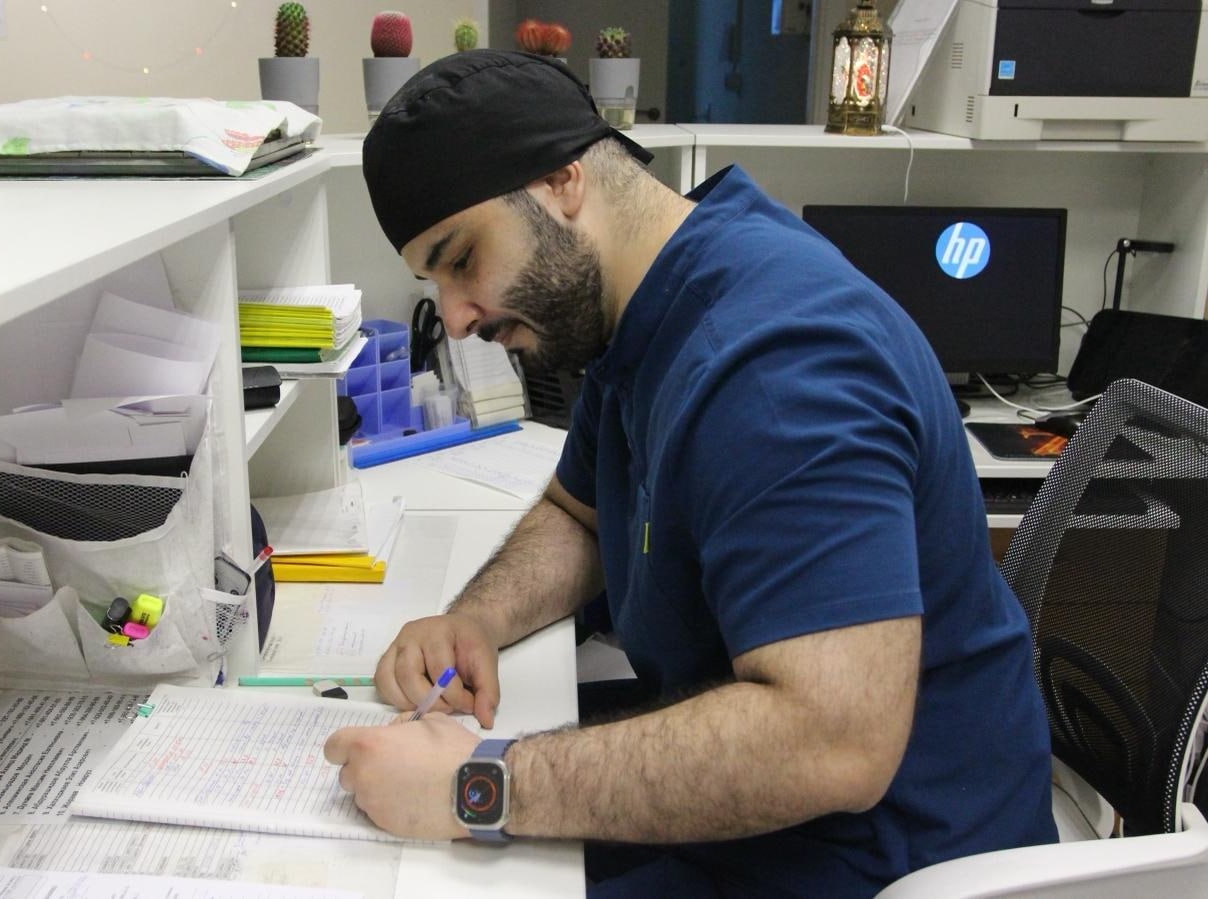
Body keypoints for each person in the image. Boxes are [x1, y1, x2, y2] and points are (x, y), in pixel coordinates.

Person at [323, 49, 1057, 897]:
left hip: (884, 851)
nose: (453, 319)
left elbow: (834, 741)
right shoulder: (640, 302)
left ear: (561, 181)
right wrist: (475, 620)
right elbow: (579, 513)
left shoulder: (777, 367)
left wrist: (477, 785)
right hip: (784, 802)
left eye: (461, 259)